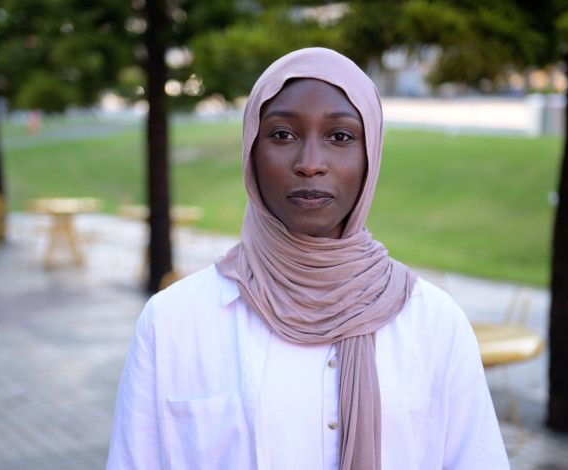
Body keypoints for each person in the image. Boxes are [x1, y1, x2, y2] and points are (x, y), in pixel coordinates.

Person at [106, 47, 509, 470]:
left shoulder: (434, 324)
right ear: (251, 154)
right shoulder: (173, 322)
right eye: (282, 135)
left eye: (340, 136)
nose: (310, 164)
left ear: (370, 155)